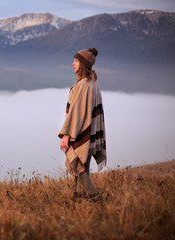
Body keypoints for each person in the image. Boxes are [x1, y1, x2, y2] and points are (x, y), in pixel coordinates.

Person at [58, 48, 107, 199]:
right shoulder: (92, 83)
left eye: (76, 61)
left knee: (77, 165)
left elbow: (76, 114)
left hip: (79, 131)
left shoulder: (84, 85)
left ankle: (93, 195)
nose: (73, 64)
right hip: (89, 132)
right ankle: (79, 196)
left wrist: (66, 135)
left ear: (84, 64)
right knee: (83, 165)